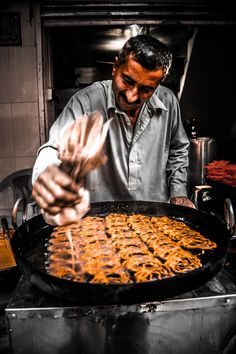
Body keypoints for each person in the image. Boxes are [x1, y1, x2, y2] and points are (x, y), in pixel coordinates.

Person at [32, 34, 195, 219]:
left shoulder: (169, 103)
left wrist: (178, 191)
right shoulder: (86, 103)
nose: (132, 96)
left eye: (146, 89)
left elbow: (178, 149)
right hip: (99, 223)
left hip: (157, 220)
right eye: (127, 80)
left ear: (159, 84)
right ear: (115, 66)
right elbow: (55, 149)